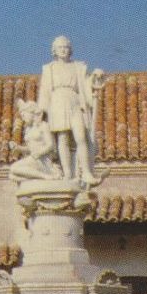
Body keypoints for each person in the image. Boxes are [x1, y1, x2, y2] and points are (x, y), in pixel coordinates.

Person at [36, 35, 105, 186]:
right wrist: (41, 112)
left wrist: (94, 77)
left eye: (66, 47)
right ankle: (67, 174)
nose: (63, 50)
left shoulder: (78, 67)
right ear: (54, 50)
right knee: (62, 138)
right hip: (57, 102)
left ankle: (86, 171)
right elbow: (45, 91)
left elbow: (86, 85)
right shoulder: (49, 68)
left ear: (70, 50)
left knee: (81, 136)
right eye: (60, 47)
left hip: (74, 101)